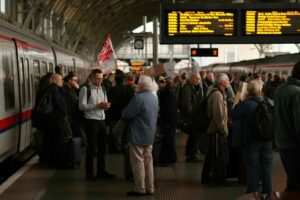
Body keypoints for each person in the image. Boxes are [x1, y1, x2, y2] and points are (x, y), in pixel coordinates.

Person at [231, 80, 273, 197]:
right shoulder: (270, 102)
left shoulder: (246, 104)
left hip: (251, 141)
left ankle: (252, 195)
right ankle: (267, 194)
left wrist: (241, 100)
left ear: (248, 91)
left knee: (252, 169)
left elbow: (233, 114)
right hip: (267, 141)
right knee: (267, 169)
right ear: (260, 90)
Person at [122, 75, 159, 196]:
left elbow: (126, 114)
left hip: (138, 134)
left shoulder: (139, 98)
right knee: (148, 162)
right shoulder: (154, 98)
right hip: (150, 135)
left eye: (138, 84)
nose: (137, 86)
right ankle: (150, 188)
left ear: (141, 85)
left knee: (138, 162)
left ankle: (140, 188)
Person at [79, 69, 115, 181]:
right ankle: (89, 174)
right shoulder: (85, 89)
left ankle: (101, 171)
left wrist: (106, 105)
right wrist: (96, 106)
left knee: (103, 148)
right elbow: (81, 106)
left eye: (101, 78)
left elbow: (105, 102)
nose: (100, 81)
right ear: (91, 77)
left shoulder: (103, 88)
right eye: (98, 78)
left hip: (102, 121)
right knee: (91, 148)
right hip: (91, 121)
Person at [274, 61, 300, 192]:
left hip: (282, 142)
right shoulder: (297, 92)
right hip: (294, 145)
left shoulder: (281, 88)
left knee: (293, 179)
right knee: (296, 184)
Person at [201, 73, 230, 185]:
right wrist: (224, 129)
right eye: (227, 80)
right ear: (222, 82)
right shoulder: (217, 94)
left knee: (211, 154)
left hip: (213, 129)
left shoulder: (216, 92)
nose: (229, 82)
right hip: (215, 130)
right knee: (217, 155)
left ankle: (206, 176)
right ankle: (217, 178)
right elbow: (218, 115)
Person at [180, 71, 204, 162]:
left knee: (193, 137)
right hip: (191, 118)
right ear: (191, 78)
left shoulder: (192, 87)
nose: (198, 80)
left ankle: (190, 154)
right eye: (196, 78)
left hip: (193, 117)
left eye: (199, 79)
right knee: (193, 137)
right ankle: (191, 156)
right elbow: (187, 104)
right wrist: (192, 116)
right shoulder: (187, 88)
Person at [157, 76, 178, 166]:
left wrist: (168, 123)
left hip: (169, 121)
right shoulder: (166, 92)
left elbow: (170, 109)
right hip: (169, 121)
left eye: (160, 82)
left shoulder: (168, 93)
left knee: (167, 141)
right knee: (168, 140)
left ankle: (166, 160)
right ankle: (170, 160)